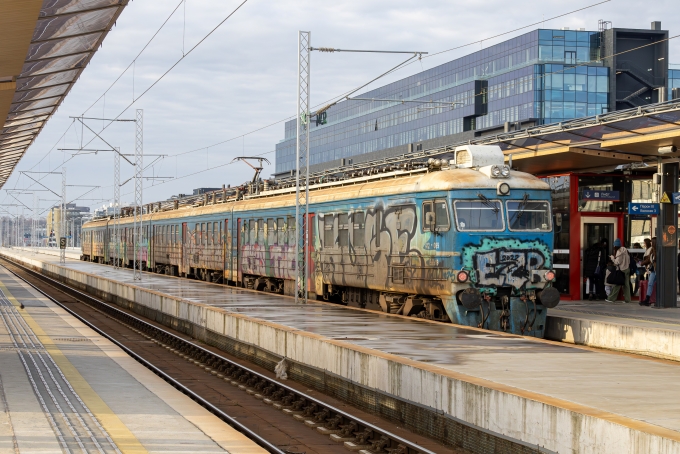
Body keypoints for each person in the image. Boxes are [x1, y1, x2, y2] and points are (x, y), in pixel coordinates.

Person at [606, 238, 631, 303]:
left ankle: (611, 299)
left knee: (617, 285)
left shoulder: (619, 252)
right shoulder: (625, 250)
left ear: (615, 246)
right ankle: (627, 300)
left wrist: (612, 258)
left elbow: (617, 262)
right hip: (627, 269)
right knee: (626, 286)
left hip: (621, 270)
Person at [640, 237, 656, 306]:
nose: (651, 243)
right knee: (650, 283)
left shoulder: (657, 249)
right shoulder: (652, 249)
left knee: (655, 283)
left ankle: (652, 299)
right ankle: (647, 299)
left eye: (652, 242)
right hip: (653, 269)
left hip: (657, 269)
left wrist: (643, 263)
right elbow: (650, 258)